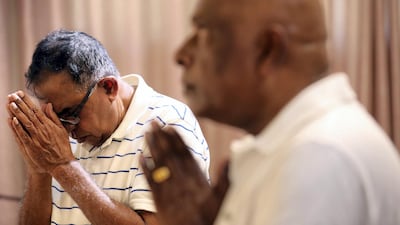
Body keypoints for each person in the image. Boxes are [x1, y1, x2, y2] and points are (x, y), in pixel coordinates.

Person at [139, 0, 400, 224]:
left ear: (267, 50)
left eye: (203, 33)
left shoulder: (317, 157)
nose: (181, 54)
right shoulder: (303, 144)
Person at [6, 29, 210, 225]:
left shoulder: (167, 124)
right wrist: (39, 170)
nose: (66, 129)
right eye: (55, 117)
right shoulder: (57, 133)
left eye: (71, 113)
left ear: (108, 87)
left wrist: (64, 167)